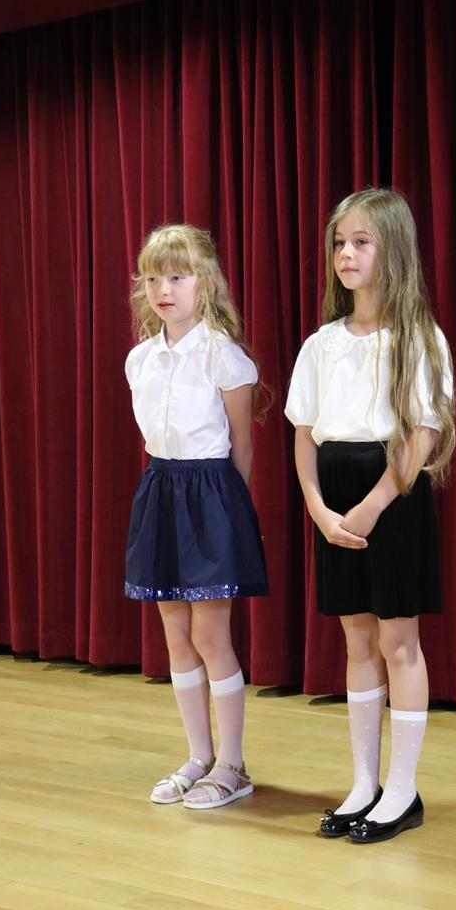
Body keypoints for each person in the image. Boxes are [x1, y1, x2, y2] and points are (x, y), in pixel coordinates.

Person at [285, 188, 456, 844]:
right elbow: (304, 434)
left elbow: (421, 434)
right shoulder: (321, 344)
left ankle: (402, 789)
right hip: (335, 495)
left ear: (394, 250)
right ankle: (364, 783)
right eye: (339, 242)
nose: (346, 254)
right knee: (356, 640)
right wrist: (319, 508)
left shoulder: (419, 339)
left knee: (397, 641)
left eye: (361, 242)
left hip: (393, 492)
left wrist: (372, 504)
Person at [125, 223, 270, 809]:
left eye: (177, 277)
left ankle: (232, 764)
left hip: (212, 496)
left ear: (204, 283)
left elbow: (242, 447)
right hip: (161, 490)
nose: (164, 289)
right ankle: (197, 756)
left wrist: (230, 520)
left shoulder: (223, 357)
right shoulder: (140, 360)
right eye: (153, 278)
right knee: (176, 634)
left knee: (211, 634)